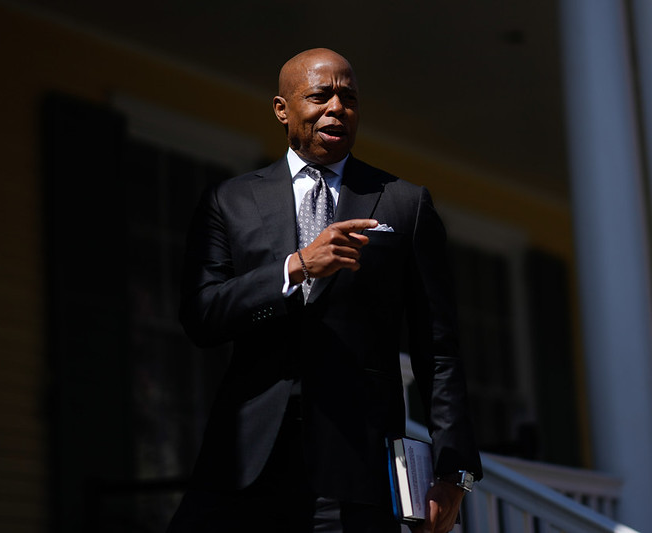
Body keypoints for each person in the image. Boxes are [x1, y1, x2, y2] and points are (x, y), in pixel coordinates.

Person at [167, 48, 482, 533]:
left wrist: (454, 472)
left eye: (349, 98)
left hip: (356, 473)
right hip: (245, 469)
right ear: (282, 108)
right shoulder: (229, 201)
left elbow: (438, 350)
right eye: (320, 96)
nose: (337, 108)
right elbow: (201, 315)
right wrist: (294, 269)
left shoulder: (404, 204)